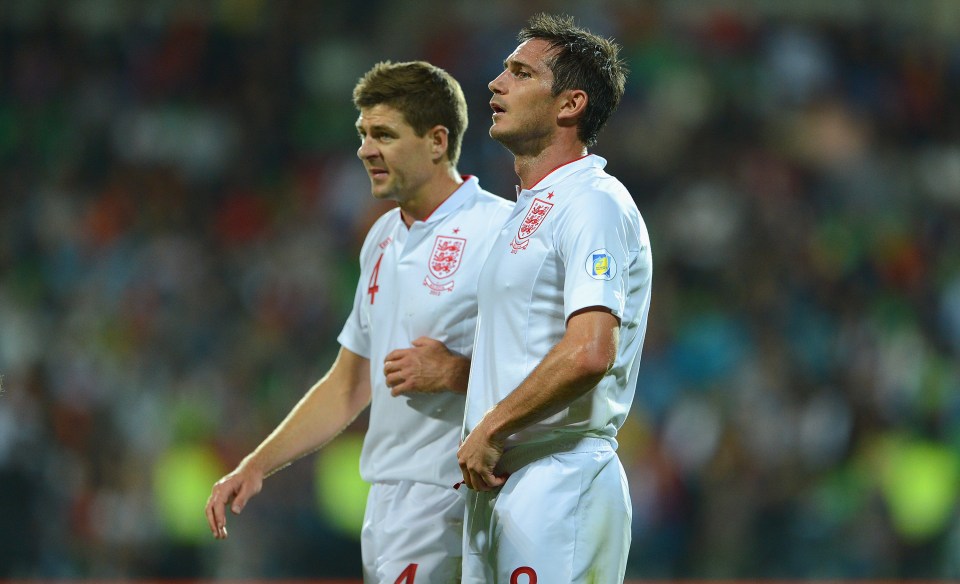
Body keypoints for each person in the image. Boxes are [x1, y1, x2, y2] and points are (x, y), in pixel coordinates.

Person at [205, 60, 513, 583]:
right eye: (363, 134)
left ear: (437, 141)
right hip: (391, 503)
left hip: (463, 494)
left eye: (384, 135)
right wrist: (256, 464)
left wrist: (455, 371)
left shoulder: (500, 232)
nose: (365, 150)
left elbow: (549, 364)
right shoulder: (380, 239)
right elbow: (348, 384)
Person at [456, 13, 653, 583]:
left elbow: (591, 351)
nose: (496, 83)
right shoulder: (527, 210)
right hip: (501, 481)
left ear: (570, 104)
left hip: (560, 480)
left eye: (520, 73)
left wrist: (491, 427)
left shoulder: (593, 202)